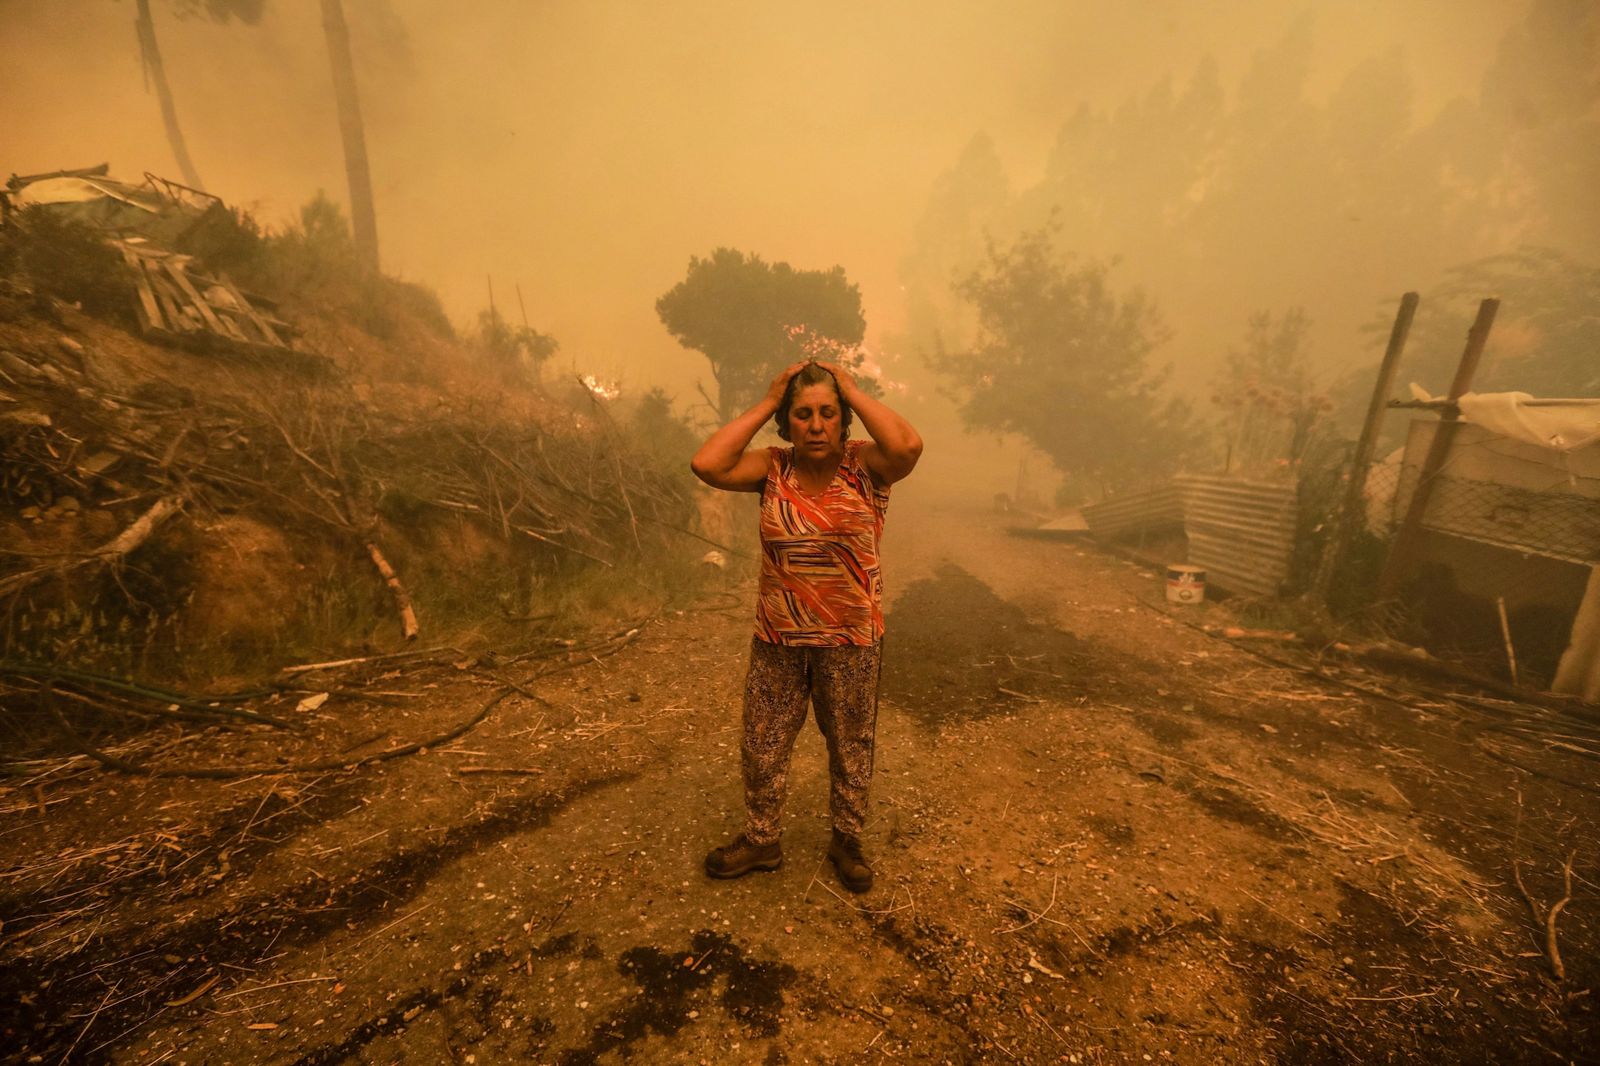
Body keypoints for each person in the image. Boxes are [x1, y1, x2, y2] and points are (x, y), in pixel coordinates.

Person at [689, 359, 923, 893]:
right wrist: (769, 400)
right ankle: (763, 840)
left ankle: (846, 839)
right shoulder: (772, 469)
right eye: (802, 415)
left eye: (827, 414)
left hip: (851, 638)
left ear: (843, 421)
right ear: (787, 424)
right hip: (778, 638)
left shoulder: (868, 466)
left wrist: (853, 391)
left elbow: (909, 446)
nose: (816, 426)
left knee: (849, 742)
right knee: (762, 742)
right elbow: (707, 463)